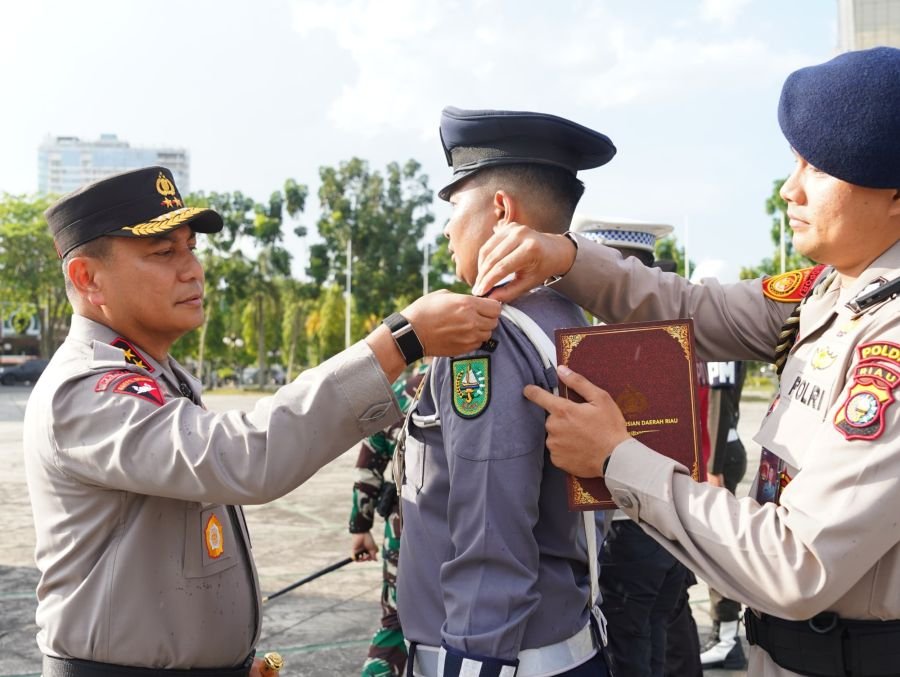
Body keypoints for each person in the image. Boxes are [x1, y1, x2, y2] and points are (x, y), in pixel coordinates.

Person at [473, 46, 900, 677]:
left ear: (892, 195)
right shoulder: (831, 291)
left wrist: (616, 458)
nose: (791, 188)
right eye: (795, 162)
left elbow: (796, 563)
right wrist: (565, 257)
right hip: (788, 651)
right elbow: (693, 308)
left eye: (819, 168)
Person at [25, 166, 501, 677]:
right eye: (164, 253)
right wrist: (398, 342)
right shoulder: (86, 389)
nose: (192, 270)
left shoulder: (155, 374)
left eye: (191, 248)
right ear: (86, 277)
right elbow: (242, 457)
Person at [396, 107, 616, 677]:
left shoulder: (487, 334)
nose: (446, 229)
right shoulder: (570, 318)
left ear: (499, 210)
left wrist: (476, 659)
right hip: (566, 636)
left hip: (501, 656)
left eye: (454, 207)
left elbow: (490, 526)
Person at [571, 216, 697, 677]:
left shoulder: (603, 348)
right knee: (656, 641)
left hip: (627, 524)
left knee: (628, 652)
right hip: (670, 523)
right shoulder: (672, 341)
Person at [349, 360, 430, 677]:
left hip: (403, 533)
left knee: (395, 624)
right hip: (468, 536)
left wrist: (361, 527)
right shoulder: (479, 383)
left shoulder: (400, 392)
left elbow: (368, 463)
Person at [699, 359, 749, 670]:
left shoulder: (719, 342)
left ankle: (728, 638)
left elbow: (719, 402)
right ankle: (722, 632)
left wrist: (713, 467)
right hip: (712, 455)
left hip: (718, 457)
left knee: (717, 547)